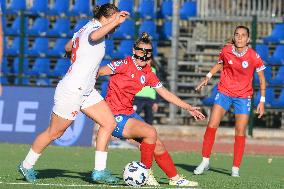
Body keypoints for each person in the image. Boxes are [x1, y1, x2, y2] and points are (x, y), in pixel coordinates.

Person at [17, 4, 129, 184]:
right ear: (106, 18)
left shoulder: (85, 27)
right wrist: (115, 21)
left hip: (86, 90)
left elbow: (69, 46)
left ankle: (99, 171)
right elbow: (94, 36)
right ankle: (26, 164)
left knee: (108, 123)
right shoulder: (94, 30)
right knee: (54, 133)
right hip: (72, 90)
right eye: (115, 20)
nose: (117, 25)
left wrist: (74, 55)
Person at [98, 32, 205, 187]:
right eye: (141, 51)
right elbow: (98, 72)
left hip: (129, 113)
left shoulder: (148, 72)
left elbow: (165, 93)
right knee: (150, 132)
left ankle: (175, 179)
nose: (145, 55)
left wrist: (187, 107)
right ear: (134, 51)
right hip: (114, 116)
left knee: (158, 144)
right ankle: (145, 173)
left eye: (148, 52)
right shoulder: (123, 64)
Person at [194, 26, 266, 177]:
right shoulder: (226, 50)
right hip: (224, 92)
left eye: (243, 35)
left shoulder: (254, 56)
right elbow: (220, 63)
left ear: (248, 39)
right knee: (212, 124)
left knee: (240, 131)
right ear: (234, 37)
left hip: (243, 96)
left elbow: (261, 79)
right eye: (237, 35)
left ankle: (235, 168)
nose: (240, 38)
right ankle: (205, 160)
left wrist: (262, 101)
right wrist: (207, 77)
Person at [133, 59, 158, 125]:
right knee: (132, 117)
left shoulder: (154, 71)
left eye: (148, 59)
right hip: (137, 97)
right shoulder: (136, 69)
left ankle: (147, 134)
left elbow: (158, 87)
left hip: (150, 98)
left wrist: (156, 102)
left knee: (149, 119)